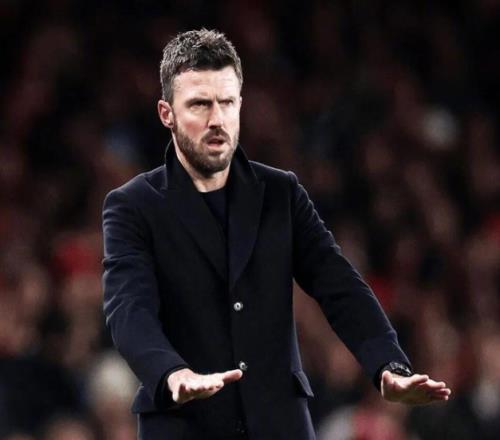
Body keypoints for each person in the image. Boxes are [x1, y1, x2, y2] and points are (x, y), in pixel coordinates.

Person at [102, 29, 451, 440]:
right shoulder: (133, 205)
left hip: (279, 425)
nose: (216, 120)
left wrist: (388, 365)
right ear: (167, 113)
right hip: (183, 426)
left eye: (226, 103)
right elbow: (129, 308)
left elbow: (338, 283)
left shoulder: (280, 193)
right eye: (199, 104)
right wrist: (170, 373)